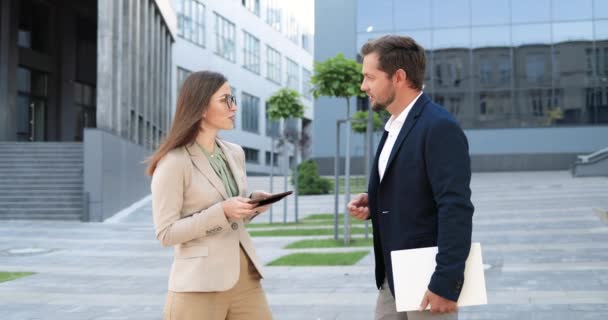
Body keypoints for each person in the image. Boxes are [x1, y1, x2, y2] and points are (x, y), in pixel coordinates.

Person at [347, 35, 474, 320]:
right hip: (392, 277)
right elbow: (414, 189)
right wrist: (375, 202)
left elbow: (456, 208)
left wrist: (446, 282)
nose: (363, 86)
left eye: (370, 77)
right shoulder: (393, 126)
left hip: (427, 279)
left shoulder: (438, 126)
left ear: (399, 77)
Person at [147, 71, 273, 320]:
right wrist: (222, 212)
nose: (234, 106)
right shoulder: (174, 161)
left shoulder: (235, 153)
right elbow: (166, 233)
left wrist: (252, 205)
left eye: (232, 98)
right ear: (201, 107)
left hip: (244, 277)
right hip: (199, 284)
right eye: (225, 99)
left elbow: (232, 218)